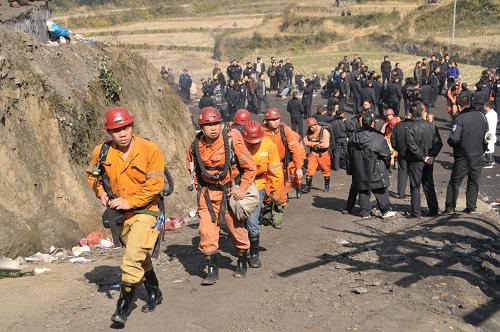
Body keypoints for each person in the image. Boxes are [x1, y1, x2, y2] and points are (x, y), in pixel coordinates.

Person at [86, 107, 165, 325]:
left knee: (131, 257)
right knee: (139, 253)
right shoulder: (101, 152)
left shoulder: (150, 149)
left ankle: (123, 306)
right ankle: (154, 291)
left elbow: (156, 185)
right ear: (109, 132)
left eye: (125, 127)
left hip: (146, 210)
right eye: (116, 130)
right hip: (121, 214)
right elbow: (93, 176)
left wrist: (130, 201)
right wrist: (100, 192)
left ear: (132, 127)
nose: (122, 133)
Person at [188, 107, 256, 284]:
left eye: (216, 123)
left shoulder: (232, 140)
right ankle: (212, 270)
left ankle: (242, 260)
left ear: (221, 123)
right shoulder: (195, 145)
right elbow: (193, 169)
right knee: (206, 231)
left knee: (237, 230)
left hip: (229, 193)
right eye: (208, 124)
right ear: (201, 127)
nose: (213, 128)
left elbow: (250, 167)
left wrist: (243, 187)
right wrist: (198, 188)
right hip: (207, 194)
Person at [241, 121, 283, 268]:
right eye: (250, 143)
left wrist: (276, 192)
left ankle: (253, 254)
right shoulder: (237, 144)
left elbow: (276, 171)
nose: (253, 145)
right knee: (237, 220)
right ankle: (242, 246)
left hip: (258, 185)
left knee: (252, 220)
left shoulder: (269, 146)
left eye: (256, 142)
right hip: (238, 185)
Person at [444, 96, 489, 214]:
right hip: (478, 154)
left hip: (463, 155)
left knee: (455, 182)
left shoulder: (460, 118)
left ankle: (450, 207)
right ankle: (471, 206)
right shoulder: (482, 116)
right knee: (473, 182)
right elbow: (487, 136)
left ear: (459, 106)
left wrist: (450, 142)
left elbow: (454, 139)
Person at [347, 113, 395, 219]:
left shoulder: (353, 136)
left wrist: (351, 168)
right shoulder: (378, 137)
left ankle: (365, 212)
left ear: (361, 122)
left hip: (359, 168)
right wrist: (387, 165)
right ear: (372, 123)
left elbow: (349, 154)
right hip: (375, 167)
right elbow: (386, 154)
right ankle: (385, 210)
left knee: (363, 189)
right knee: (379, 189)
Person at [405, 102, 443, 218]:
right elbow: (438, 143)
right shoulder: (431, 125)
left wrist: (423, 157)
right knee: (428, 184)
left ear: (411, 114)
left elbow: (411, 146)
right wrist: (431, 156)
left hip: (416, 160)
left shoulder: (410, 127)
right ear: (422, 112)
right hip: (428, 159)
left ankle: (416, 212)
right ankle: (433, 209)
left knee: (415, 186)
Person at [263, 108, 305, 207]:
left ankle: (280, 211)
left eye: (277, 118)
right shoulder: (261, 132)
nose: (276, 121)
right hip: (266, 167)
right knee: (267, 192)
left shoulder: (284, 130)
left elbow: (295, 149)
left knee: (282, 192)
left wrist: (298, 168)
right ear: (266, 121)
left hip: (282, 166)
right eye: (273, 120)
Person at [302, 117, 331, 193]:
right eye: (309, 126)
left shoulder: (324, 131)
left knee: (326, 170)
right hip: (313, 153)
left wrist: (312, 143)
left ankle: (327, 186)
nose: (310, 128)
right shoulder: (308, 131)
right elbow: (305, 141)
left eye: (312, 126)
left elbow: (325, 144)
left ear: (316, 124)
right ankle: (307, 187)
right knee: (309, 170)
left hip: (323, 154)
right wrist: (316, 144)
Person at [331, 107, 349, 171]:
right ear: (341, 114)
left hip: (337, 139)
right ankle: (346, 166)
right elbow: (347, 129)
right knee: (346, 152)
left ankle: (336, 167)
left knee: (337, 152)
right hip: (344, 138)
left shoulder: (333, 122)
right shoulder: (344, 121)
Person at [483, 101, 497, 168]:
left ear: (487, 107)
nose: (484, 108)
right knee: (490, 146)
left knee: (487, 147)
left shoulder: (488, 115)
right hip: (492, 132)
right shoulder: (494, 113)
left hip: (488, 133)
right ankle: (492, 161)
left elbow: (484, 124)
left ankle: (489, 163)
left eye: (484, 107)